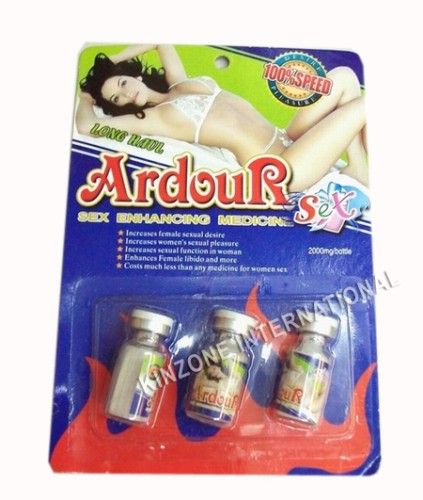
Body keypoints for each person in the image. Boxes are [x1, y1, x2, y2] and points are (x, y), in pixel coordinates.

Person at [77, 44, 368, 191]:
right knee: (363, 106)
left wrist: (108, 65)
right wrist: (87, 98)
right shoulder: (152, 118)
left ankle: (356, 166)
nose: (125, 94)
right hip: (283, 168)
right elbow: (88, 126)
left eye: (123, 84)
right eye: (116, 99)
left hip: (288, 136)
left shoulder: (180, 85)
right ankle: (360, 172)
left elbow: (161, 41)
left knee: (344, 78)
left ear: (135, 75)